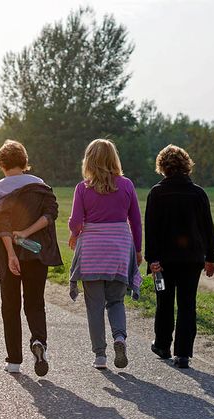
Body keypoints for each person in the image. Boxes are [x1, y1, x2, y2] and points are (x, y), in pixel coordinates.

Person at [0, 140, 63, 376]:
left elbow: (3, 223)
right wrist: (28, 233)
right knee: (35, 302)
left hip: (8, 253)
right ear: (24, 162)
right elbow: (50, 215)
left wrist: (11, 253)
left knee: (10, 306)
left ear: (1, 164)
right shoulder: (41, 186)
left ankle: (14, 361)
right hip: (36, 252)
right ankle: (39, 341)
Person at [68, 139, 142, 370]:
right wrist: (137, 250)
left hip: (92, 252)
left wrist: (73, 233)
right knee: (116, 300)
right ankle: (119, 338)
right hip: (119, 249)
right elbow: (136, 222)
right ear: (114, 159)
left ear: (88, 160)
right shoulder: (127, 185)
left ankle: (100, 356)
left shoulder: (83, 188)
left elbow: (76, 222)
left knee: (95, 306)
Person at [144, 145, 214, 369]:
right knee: (187, 304)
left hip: (164, 261)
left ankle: (163, 345)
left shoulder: (156, 193)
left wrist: (152, 259)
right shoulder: (198, 193)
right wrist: (210, 256)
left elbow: (151, 229)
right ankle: (183, 353)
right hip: (192, 260)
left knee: (164, 302)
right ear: (187, 165)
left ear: (162, 167)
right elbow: (208, 227)